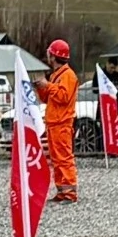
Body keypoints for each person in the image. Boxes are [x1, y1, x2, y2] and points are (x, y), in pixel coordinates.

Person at [33, 38, 80, 204]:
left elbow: (63, 97)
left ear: (54, 56)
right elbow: (48, 99)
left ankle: (70, 193)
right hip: (54, 123)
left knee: (64, 158)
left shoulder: (68, 75)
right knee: (57, 159)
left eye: (50, 54)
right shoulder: (56, 75)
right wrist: (41, 88)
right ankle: (62, 190)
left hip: (62, 124)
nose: (48, 56)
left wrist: (48, 85)